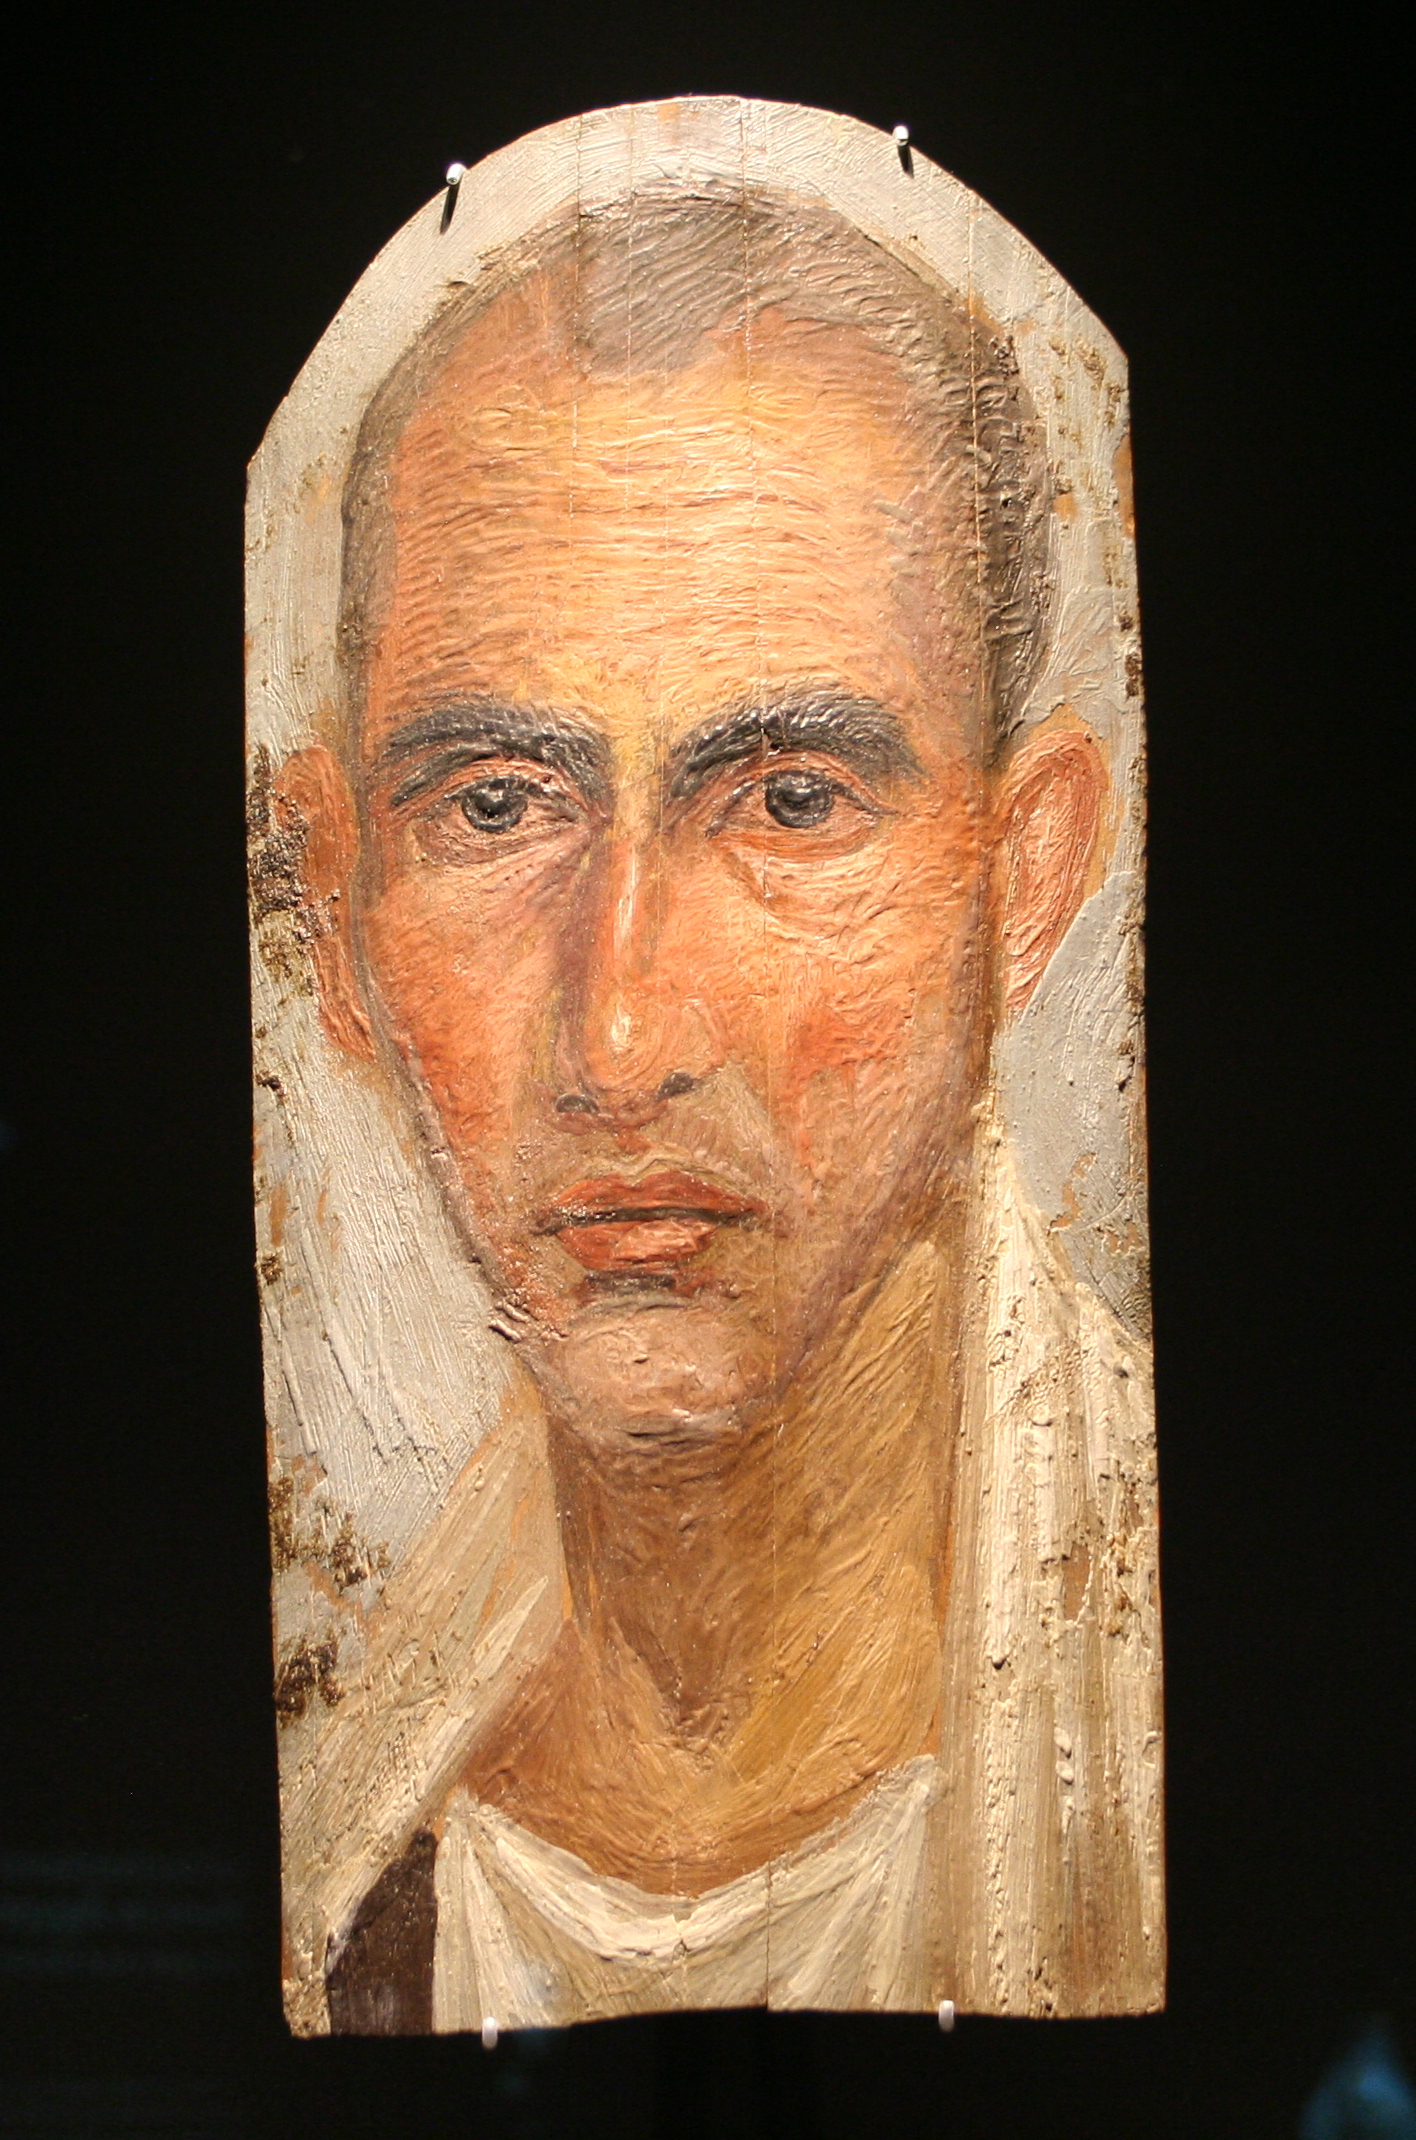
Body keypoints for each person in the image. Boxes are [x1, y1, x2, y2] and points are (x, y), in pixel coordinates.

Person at [260, 168, 1160, 2029]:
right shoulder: (357, 1853)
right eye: (496, 807)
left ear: (1025, 883)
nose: (620, 1037)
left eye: (790, 802)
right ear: (330, 909)